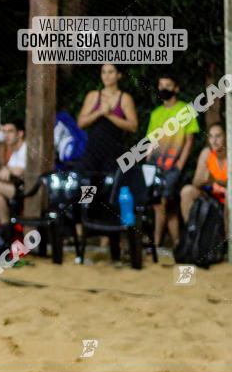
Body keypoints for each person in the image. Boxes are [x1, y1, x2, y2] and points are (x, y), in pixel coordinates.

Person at [146, 73, 199, 248]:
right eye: (160, 85)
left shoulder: (185, 110)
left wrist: (179, 165)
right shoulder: (156, 113)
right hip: (155, 165)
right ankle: (162, 244)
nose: (163, 89)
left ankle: (173, 243)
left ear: (176, 88)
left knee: (167, 204)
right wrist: (147, 165)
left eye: (168, 85)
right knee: (157, 205)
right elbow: (152, 142)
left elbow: (190, 140)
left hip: (173, 167)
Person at [76, 64, 138, 174]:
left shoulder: (124, 98)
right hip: (93, 151)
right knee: (88, 188)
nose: (106, 76)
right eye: (103, 72)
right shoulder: (93, 96)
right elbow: (81, 123)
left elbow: (133, 126)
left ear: (118, 75)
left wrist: (109, 115)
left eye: (110, 72)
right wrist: (99, 112)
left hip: (113, 152)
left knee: (108, 187)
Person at [180, 123, 226, 233]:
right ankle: (192, 234)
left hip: (226, 194)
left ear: (226, 136)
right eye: (211, 136)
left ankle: (227, 240)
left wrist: (213, 180)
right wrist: (200, 180)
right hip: (209, 193)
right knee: (187, 191)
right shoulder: (206, 153)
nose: (214, 141)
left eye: (218, 136)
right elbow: (196, 181)